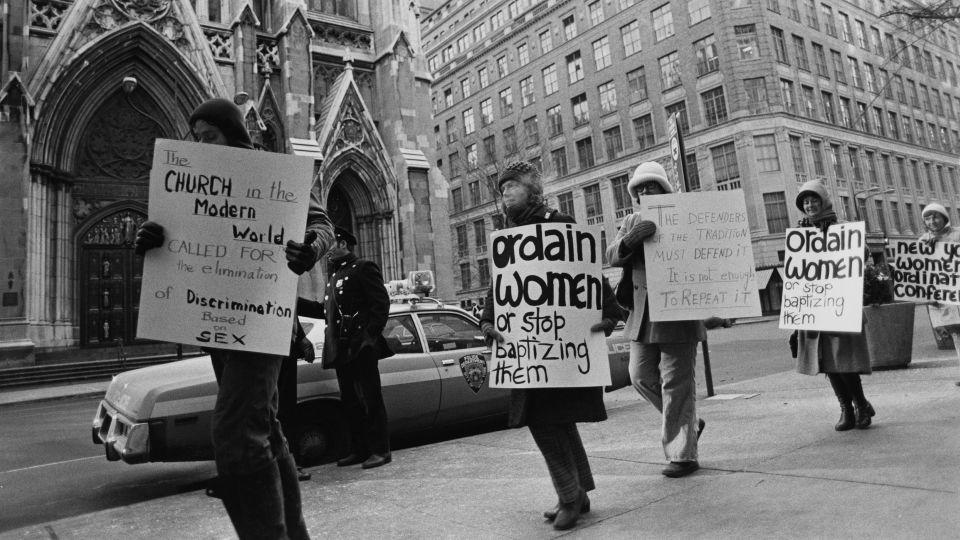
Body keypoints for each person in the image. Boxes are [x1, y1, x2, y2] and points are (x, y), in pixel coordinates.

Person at [134, 97, 334, 539]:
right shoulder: (193, 183)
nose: (202, 145)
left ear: (233, 135)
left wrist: (309, 250)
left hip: (261, 321)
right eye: (196, 139)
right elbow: (174, 233)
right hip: (214, 323)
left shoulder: (271, 173)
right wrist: (149, 238)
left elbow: (323, 226)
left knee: (235, 431)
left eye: (210, 137)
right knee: (266, 427)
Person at [478, 161, 622, 531]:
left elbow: (587, 272)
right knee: (552, 422)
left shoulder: (559, 224)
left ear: (532, 190)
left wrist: (608, 313)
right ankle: (577, 492)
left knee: (547, 422)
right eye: (503, 187)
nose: (505, 192)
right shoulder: (508, 233)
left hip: (561, 348)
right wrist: (487, 320)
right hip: (527, 348)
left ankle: (570, 496)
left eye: (512, 186)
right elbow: (500, 287)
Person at [606, 161, 707, 479]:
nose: (645, 191)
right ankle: (688, 422)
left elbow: (704, 254)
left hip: (678, 314)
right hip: (643, 315)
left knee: (677, 385)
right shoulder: (631, 220)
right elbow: (611, 255)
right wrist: (631, 239)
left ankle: (684, 456)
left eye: (652, 186)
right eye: (640, 188)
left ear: (665, 188)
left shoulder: (682, 215)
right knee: (638, 376)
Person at [296, 227, 395, 469]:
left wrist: (368, 339)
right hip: (341, 349)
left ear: (342, 243)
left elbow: (380, 305)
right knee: (351, 401)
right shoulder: (336, 275)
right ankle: (360, 449)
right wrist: (296, 304)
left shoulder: (363, 267)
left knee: (370, 399)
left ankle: (381, 450)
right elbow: (326, 311)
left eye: (331, 244)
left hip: (360, 347)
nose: (327, 251)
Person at [792, 180, 875, 430]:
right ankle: (846, 409)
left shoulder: (841, 229)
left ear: (823, 201)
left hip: (840, 303)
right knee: (826, 362)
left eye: (813, 200)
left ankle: (861, 405)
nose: (810, 205)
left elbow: (864, 255)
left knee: (844, 360)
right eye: (805, 202)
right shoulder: (800, 233)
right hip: (814, 305)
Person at [918, 203, 960, 386]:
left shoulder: (957, 234)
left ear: (944, 217)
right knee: (957, 333)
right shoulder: (923, 241)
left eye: (936, 216)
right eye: (928, 218)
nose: (932, 221)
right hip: (945, 295)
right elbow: (919, 271)